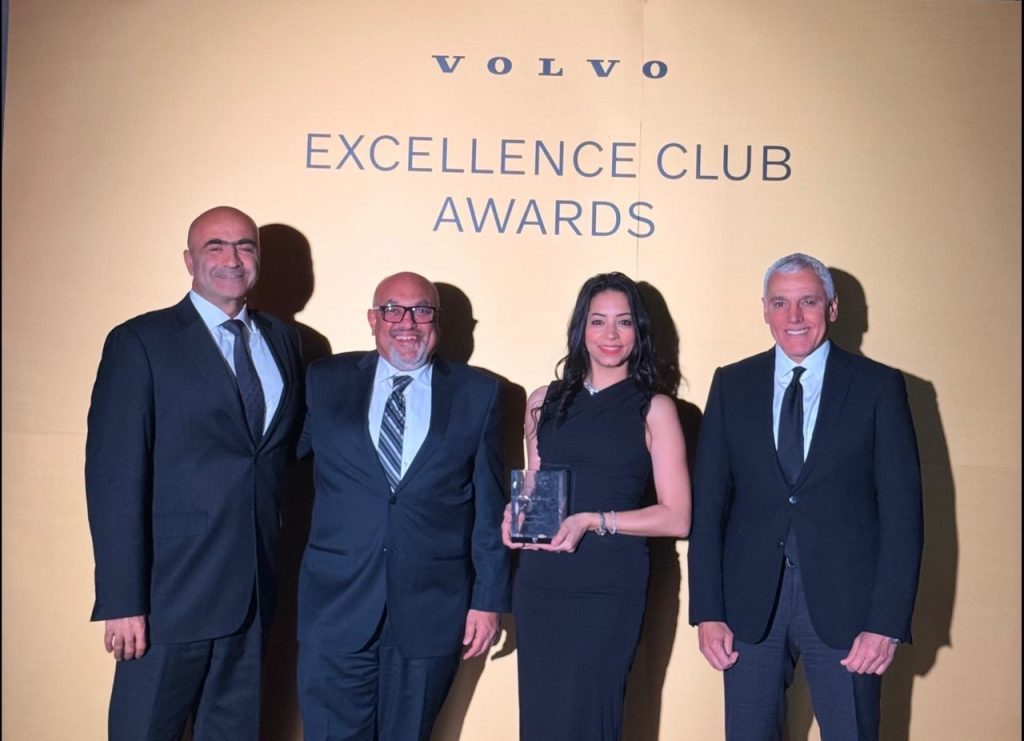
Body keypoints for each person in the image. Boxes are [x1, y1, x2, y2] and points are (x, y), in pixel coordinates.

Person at [85, 206, 306, 739]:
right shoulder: (141, 341)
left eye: (245, 246)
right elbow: (114, 477)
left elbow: (284, 450)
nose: (232, 259)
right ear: (189, 260)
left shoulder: (285, 341)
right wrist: (123, 600)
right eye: (215, 246)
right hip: (169, 594)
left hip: (254, 590)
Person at [687, 253, 923, 739]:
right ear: (765, 310)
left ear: (831, 309)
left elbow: (904, 516)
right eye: (780, 303)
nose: (793, 316)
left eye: (808, 302)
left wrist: (886, 623)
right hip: (749, 612)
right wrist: (707, 610)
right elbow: (708, 508)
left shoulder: (878, 387)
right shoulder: (732, 384)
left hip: (850, 613)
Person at [297, 271, 512, 741]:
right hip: (336, 605)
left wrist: (488, 600)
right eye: (393, 310)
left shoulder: (478, 393)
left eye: (422, 311)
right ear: (373, 319)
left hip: (431, 608)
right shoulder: (325, 379)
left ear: (438, 321)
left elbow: (489, 505)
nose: (407, 323)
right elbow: (282, 464)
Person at [502, 272, 691, 741]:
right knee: (542, 719)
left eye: (623, 322)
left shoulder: (655, 409)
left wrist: (593, 521)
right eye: (598, 321)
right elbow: (536, 488)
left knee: (592, 717)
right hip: (542, 583)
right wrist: (515, 516)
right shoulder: (542, 402)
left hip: (609, 585)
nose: (611, 334)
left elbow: (677, 516)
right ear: (581, 329)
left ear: (638, 331)